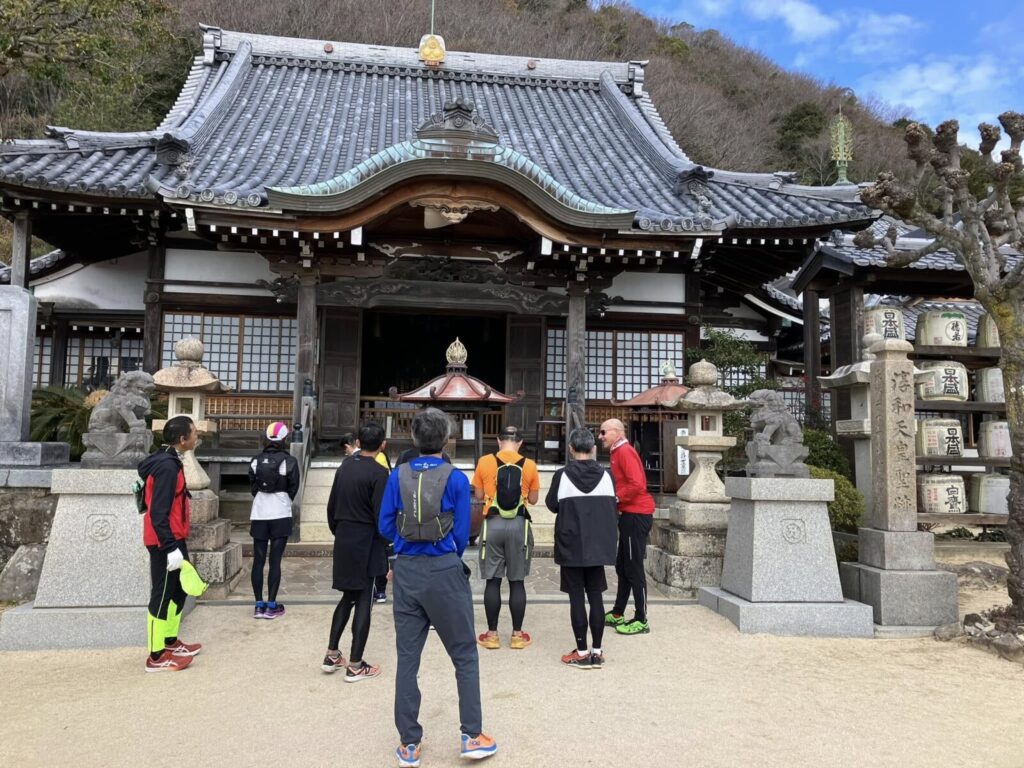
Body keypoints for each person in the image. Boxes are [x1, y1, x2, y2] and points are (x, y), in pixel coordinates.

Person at [379, 408, 497, 766]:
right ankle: (471, 735)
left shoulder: (397, 475)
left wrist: (406, 543)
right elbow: (462, 533)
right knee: (464, 654)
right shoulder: (456, 479)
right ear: (447, 439)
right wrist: (445, 552)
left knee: (407, 657)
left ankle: (409, 743)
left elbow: (385, 525)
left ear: (414, 438)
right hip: (444, 568)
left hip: (407, 570)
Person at [322, 421, 390, 682]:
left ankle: (331, 653)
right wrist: (387, 546)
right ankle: (355, 663)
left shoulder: (345, 466)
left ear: (358, 443)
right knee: (364, 600)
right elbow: (381, 516)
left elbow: (331, 506)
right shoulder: (379, 473)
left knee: (347, 596)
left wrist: (338, 531)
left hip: (343, 535)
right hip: (367, 539)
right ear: (382, 445)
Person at [546, 428, 618, 669]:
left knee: (576, 597)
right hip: (598, 545)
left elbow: (552, 505)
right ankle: (597, 651)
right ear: (594, 449)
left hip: (572, 544)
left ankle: (582, 651)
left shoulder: (562, 475)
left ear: (571, 449)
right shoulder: (607, 475)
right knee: (596, 596)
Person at [137, 415, 201, 672]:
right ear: (183, 439)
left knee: (178, 590)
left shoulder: (171, 460)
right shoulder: (166, 467)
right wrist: (170, 546)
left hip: (175, 536)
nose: (197, 437)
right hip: (165, 540)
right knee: (162, 595)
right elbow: (157, 511)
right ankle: (156, 655)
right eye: (194, 433)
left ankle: (170, 640)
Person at [471, 426, 540, 650]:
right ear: (519, 443)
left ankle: (492, 635)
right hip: (519, 525)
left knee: (493, 579)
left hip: (492, 523)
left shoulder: (484, 461)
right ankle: (517, 635)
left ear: (499, 440)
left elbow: (478, 495)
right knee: (517, 580)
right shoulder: (530, 465)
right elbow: (534, 499)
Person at [599, 418, 656, 635]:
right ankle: (618, 612)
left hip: (636, 514)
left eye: (603, 432)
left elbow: (637, 484)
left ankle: (641, 619)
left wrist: (615, 498)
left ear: (617, 432)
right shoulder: (618, 451)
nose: (600, 436)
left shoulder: (624, 451)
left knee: (633, 568)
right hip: (629, 514)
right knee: (623, 566)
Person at [248, 421, 300, 619]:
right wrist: (284, 497)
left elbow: (253, 485)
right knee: (275, 561)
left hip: (259, 512)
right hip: (280, 511)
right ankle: (271, 605)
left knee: (258, 560)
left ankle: (258, 605)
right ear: (284, 439)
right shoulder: (290, 461)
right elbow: (293, 486)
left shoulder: (255, 460)